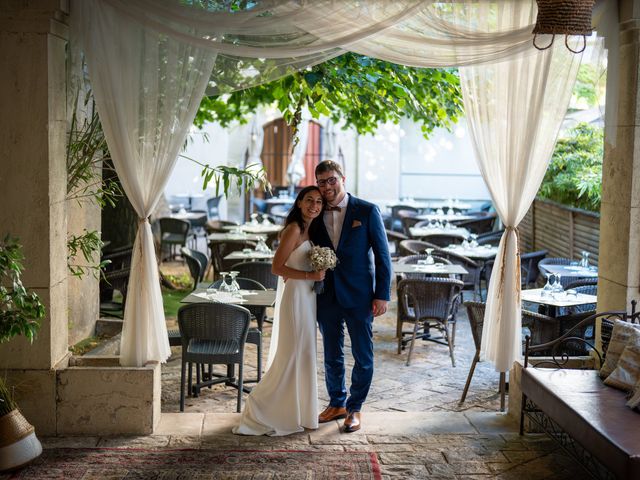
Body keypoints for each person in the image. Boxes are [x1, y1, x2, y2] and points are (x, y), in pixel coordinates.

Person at [233, 186, 326, 436]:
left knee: (304, 352)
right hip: (296, 298)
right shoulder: (294, 229)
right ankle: (263, 406)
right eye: (309, 200)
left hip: (308, 298)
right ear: (299, 202)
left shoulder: (311, 229)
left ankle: (299, 412)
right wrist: (310, 274)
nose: (314, 205)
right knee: (293, 353)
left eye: (318, 201)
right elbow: (276, 268)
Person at [311, 160, 392, 433]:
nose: (327, 187)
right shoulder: (315, 210)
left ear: (342, 178)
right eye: (321, 182)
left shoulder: (367, 211)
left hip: (359, 296)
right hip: (326, 295)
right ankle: (337, 402)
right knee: (332, 353)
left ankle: (355, 408)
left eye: (331, 180)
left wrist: (382, 295)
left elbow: (383, 257)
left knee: (363, 354)